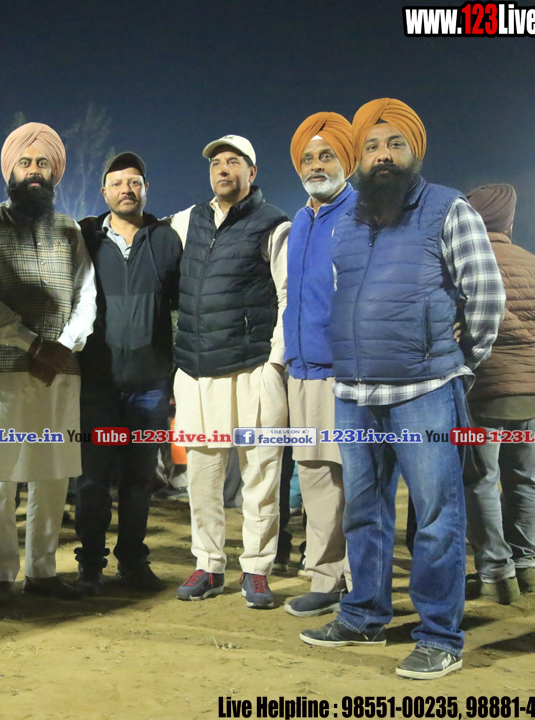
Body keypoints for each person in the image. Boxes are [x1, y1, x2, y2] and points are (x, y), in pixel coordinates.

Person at [301, 98, 504, 681]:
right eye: (371, 145)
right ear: (359, 157)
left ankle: (439, 635)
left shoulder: (448, 209)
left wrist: (459, 361)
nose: (382, 155)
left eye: (395, 144)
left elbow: (486, 296)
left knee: (437, 517)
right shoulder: (348, 222)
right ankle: (363, 614)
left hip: (426, 391)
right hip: (355, 392)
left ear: (415, 152)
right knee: (363, 512)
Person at [0, 122, 97, 606]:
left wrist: (62, 346)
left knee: (52, 475)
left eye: (42, 163)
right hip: (2, 371)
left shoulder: (69, 230)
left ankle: (42, 571)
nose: (34, 170)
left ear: (54, 173)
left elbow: (86, 296)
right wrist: (33, 345)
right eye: (25, 162)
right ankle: (1, 576)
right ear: (11, 172)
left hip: (60, 371)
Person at [169, 134, 290, 609]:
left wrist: (276, 362)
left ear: (251, 172)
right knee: (202, 477)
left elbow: (288, 295)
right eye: (216, 162)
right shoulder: (188, 220)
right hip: (197, 370)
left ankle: (256, 569)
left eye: (233, 161)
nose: (223, 169)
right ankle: (208, 564)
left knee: (261, 476)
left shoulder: (274, 223)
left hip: (252, 368)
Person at [73, 151, 181, 595]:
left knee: (139, 481)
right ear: (105, 192)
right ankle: (90, 565)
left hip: (150, 384)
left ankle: (133, 561)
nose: (126, 189)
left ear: (145, 189)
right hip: (97, 384)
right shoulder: (85, 238)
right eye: (117, 183)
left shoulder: (167, 240)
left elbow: (182, 305)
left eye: (134, 182)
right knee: (92, 481)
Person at [463, 183, 535, 602]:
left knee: (481, 481)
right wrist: (533, 365)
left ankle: (496, 573)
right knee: (525, 480)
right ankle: (526, 568)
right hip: (533, 396)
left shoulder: (464, 264)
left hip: (482, 392)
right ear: (508, 220)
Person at [281, 113, 357, 617]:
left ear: (346, 160)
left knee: (357, 478)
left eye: (326, 155)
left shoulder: (362, 213)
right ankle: (327, 578)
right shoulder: (300, 221)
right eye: (308, 158)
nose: (315, 165)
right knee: (313, 476)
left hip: (347, 373)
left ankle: (361, 580)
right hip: (303, 371)